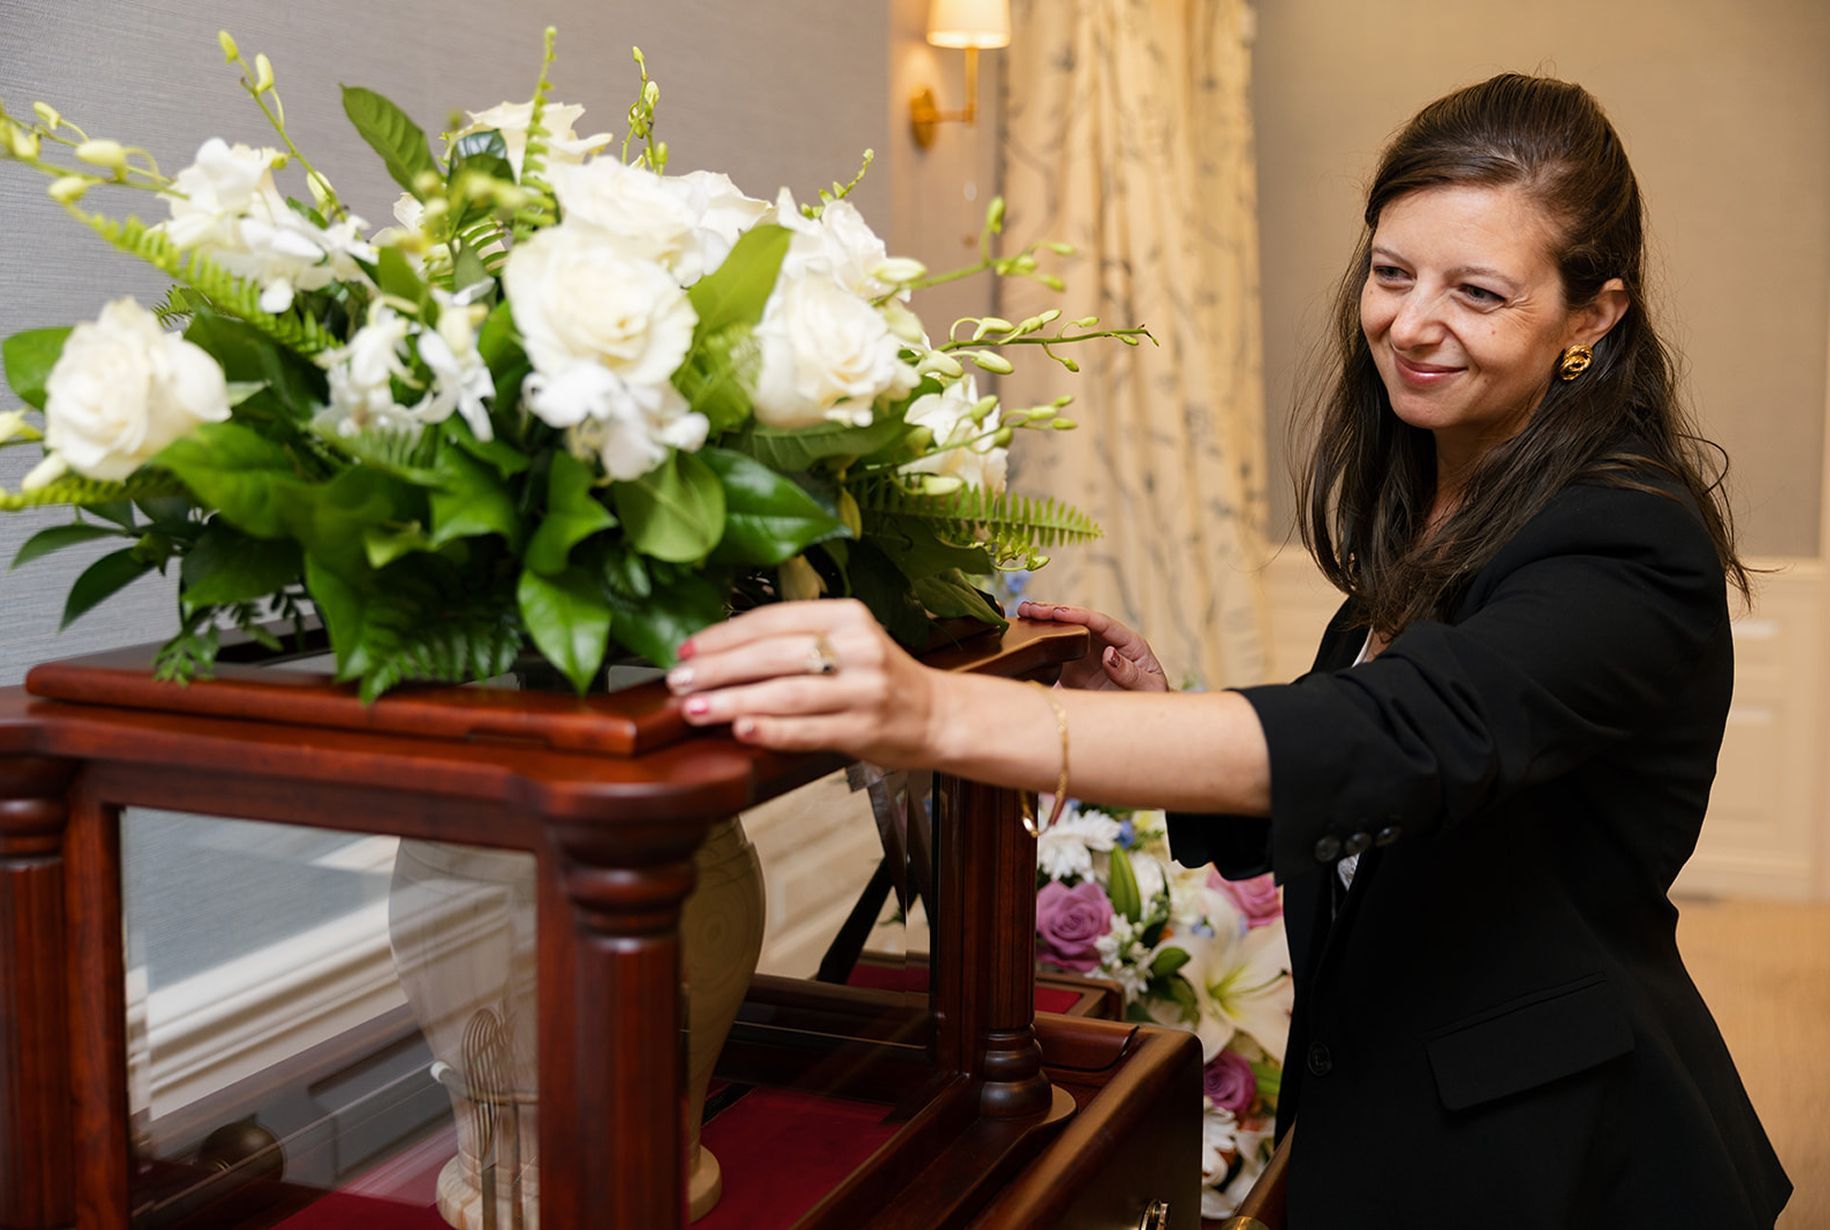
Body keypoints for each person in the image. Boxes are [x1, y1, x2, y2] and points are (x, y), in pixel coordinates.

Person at [665, 73, 1791, 1227]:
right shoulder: (1444, 493)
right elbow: (1377, 774)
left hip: (1557, 1151)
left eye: (1479, 292)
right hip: (1390, 1104)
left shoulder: (1625, 532)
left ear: (1592, 318)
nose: (1409, 321)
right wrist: (1157, 705)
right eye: (1391, 272)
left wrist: (931, 715)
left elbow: (1401, 734)